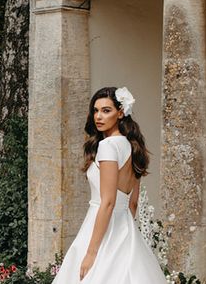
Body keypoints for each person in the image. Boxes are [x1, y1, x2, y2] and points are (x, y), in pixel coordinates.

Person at [51, 86, 167, 283]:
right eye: (95, 110)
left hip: (99, 223)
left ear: (121, 113)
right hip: (125, 229)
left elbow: (108, 202)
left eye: (106, 110)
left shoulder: (107, 146)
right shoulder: (133, 147)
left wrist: (92, 252)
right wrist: (122, 232)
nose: (98, 116)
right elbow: (133, 203)